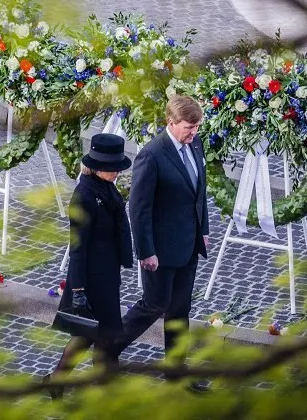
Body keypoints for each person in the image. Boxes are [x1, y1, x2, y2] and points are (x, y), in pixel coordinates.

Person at [109, 95, 209, 390]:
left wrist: (203, 229)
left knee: (180, 309)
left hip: (189, 244)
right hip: (161, 250)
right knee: (154, 304)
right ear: (171, 122)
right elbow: (139, 209)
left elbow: (199, 193)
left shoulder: (196, 145)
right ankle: (108, 347)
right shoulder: (152, 155)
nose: (194, 133)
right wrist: (146, 251)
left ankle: (176, 372)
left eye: (197, 127)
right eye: (189, 127)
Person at [45, 133, 133, 399]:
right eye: (112, 166)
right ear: (96, 165)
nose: (117, 170)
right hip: (91, 278)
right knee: (88, 335)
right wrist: (80, 290)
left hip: (107, 274)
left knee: (100, 335)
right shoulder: (83, 196)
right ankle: (81, 382)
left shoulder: (105, 186)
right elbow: (78, 248)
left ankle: (86, 382)